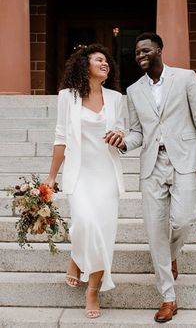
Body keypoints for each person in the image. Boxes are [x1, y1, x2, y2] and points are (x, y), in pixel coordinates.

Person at [105, 32, 196, 323]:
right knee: (155, 231)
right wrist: (123, 142)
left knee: (184, 219)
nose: (140, 55)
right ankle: (168, 298)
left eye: (145, 50)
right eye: (136, 53)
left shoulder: (185, 78)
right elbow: (137, 132)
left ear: (159, 49)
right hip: (151, 166)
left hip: (183, 159)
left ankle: (169, 256)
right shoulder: (133, 90)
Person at [45, 44, 124, 319]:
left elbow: (123, 133)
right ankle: (77, 258)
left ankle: (93, 289)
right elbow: (61, 136)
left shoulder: (116, 98)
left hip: (106, 175)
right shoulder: (67, 96)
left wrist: (120, 136)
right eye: (98, 60)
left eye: (107, 61)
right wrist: (52, 176)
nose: (105, 64)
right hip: (79, 173)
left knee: (103, 232)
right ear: (84, 65)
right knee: (83, 222)